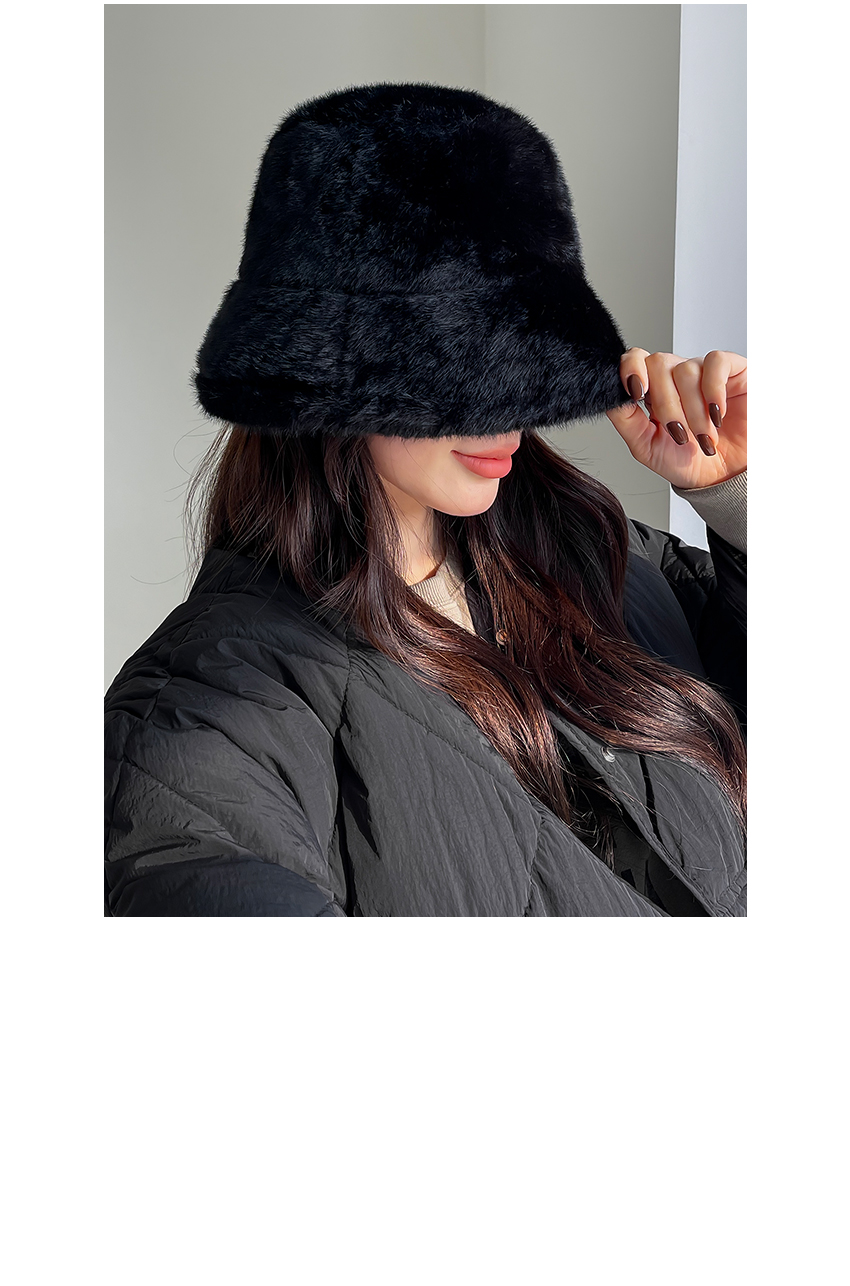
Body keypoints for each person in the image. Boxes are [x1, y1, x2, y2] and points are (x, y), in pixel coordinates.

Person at [105, 82, 746, 917]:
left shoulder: (605, 554)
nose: (507, 410)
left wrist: (737, 495)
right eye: (461, 361)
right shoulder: (212, 701)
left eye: (524, 354)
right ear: (336, 369)